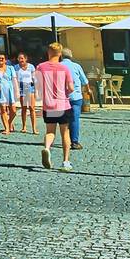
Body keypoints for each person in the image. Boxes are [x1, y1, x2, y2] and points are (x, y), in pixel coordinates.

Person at [35, 42, 76, 171]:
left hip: (49, 105)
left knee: (50, 131)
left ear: (48, 52)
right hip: (62, 104)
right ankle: (65, 161)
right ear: (60, 54)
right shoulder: (64, 69)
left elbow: (37, 85)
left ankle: (47, 148)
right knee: (65, 133)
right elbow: (71, 88)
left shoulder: (40, 67)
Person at [60, 48, 90, 150]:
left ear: (61, 56)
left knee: (63, 120)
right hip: (75, 96)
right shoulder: (76, 66)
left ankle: (64, 139)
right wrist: (88, 90)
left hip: (61, 97)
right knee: (74, 119)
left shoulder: (58, 66)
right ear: (71, 56)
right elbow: (84, 81)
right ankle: (74, 142)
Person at [0, 52, 18, 135]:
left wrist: (17, 90)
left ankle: (9, 122)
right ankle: (6, 128)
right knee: (3, 109)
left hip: (10, 90)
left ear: (5, 60)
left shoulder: (10, 68)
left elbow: (14, 79)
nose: (0, 59)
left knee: (13, 111)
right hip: (1, 90)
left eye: (2, 58)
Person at [15, 53, 37, 134]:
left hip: (30, 87)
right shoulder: (16, 67)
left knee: (32, 108)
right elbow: (16, 79)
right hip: (21, 87)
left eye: (22, 58)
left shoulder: (31, 67)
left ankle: (34, 128)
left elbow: (34, 78)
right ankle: (24, 126)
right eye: (19, 58)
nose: (20, 60)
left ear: (26, 59)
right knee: (24, 108)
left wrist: (36, 90)